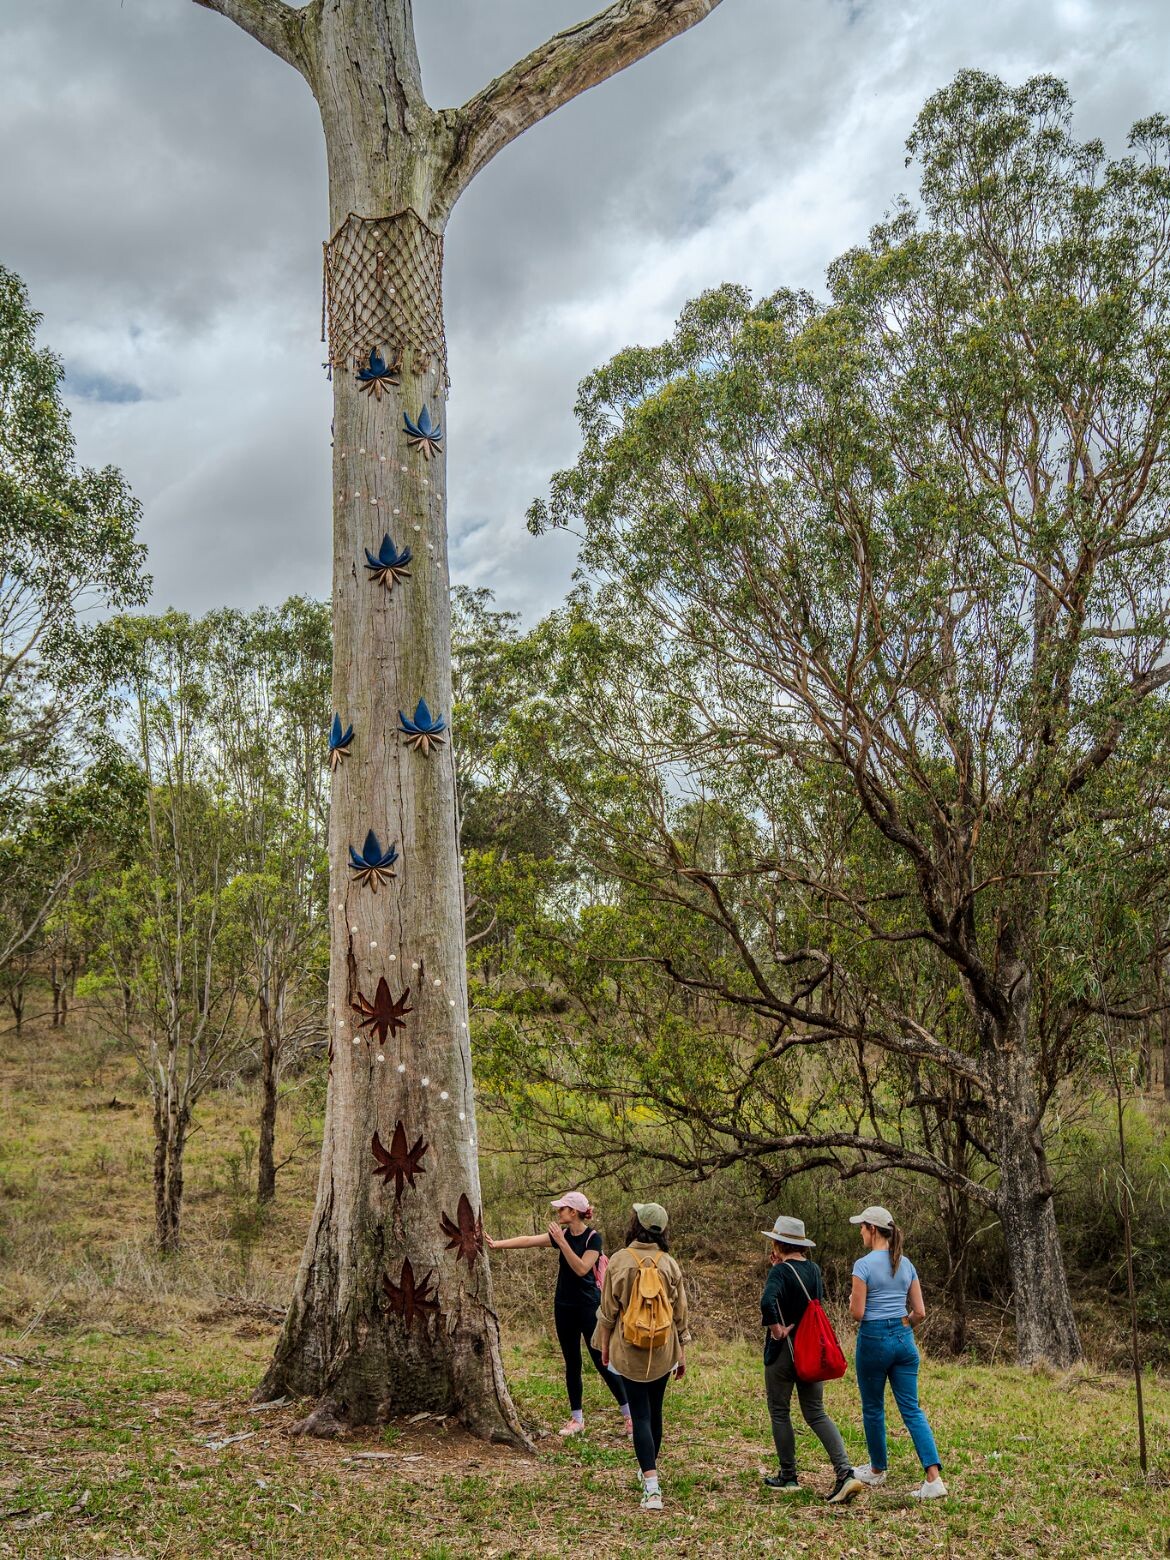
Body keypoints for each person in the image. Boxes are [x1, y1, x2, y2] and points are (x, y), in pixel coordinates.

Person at [486, 1191, 632, 1438]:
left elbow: (581, 1268)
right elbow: (528, 1240)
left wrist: (562, 1242)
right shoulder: (561, 1235)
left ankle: (629, 1416)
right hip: (563, 1306)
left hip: (588, 1308)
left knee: (600, 1360)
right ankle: (577, 1419)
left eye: (562, 1209)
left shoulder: (593, 1239)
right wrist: (497, 1244)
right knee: (571, 1362)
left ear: (573, 1212)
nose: (558, 1213)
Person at [758, 1215, 864, 1504]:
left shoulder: (779, 1273)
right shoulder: (814, 1270)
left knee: (780, 1411)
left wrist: (777, 1328)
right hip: (811, 1353)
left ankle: (788, 1475)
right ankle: (845, 1472)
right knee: (816, 1412)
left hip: (783, 1353)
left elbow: (768, 1302)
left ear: (779, 1243)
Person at [593, 1202, 690, 1513]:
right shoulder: (670, 1264)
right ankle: (649, 1468)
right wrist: (681, 1350)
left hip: (629, 1350)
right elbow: (680, 1314)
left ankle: (651, 1486)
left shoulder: (620, 1261)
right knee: (655, 1411)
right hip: (663, 1349)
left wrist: (604, 1346)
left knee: (640, 1415)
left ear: (636, 1225)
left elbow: (608, 1311)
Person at [848, 1204, 947, 1499]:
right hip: (904, 1341)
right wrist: (902, 1323)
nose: (861, 1233)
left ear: (873, 1230)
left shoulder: (863, 1265)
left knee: (873, 1407)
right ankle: (933, 1479)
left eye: (862, 1228)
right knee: (912, 1409)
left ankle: (877, 1470)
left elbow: (857, 1313)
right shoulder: (906, 1264)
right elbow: (920, 1312)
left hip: (873, 1340)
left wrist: (854, 1296)